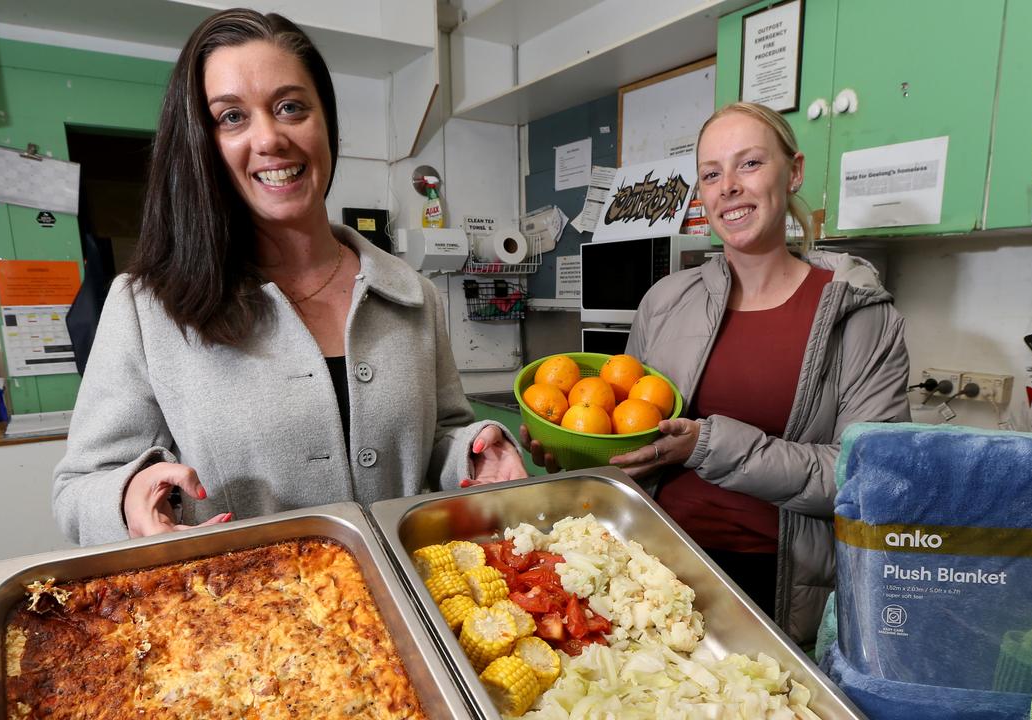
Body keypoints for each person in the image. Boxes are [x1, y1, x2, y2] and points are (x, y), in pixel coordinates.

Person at [53, 9, 526, 546]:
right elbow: (78, 488)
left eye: (290, 107)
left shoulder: (410, 292)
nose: (270, 137)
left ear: (326, 122)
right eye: (232, 117)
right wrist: (128, 497)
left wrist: (477, 448)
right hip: (256, 620)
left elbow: (438, 436)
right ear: (202, 143)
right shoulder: (148, 307)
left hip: (409, 600)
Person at [525, 102, 910, 646]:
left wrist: (707, 445)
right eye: (711, 173)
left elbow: (869, 481)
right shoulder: (665, 301)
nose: (728, 186)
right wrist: (571, 454)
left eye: (749, 164)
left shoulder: (862, 318)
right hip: (651, 570)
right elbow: (626, 434)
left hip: (777, 584)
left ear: (793, 171)